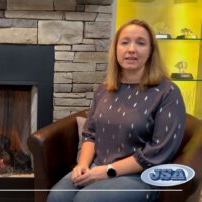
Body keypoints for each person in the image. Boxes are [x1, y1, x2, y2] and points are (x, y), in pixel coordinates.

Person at [47, 19, 186, 202]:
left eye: (140, 43)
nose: (131, 49)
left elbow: (157, 153)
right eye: (125, 42)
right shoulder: (104, 89)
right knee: (57, 197)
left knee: (86, 200)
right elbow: (90, 134)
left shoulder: (168, 92)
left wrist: (108, 171)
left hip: (139, 175)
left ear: (151, 51)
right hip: (96, 167)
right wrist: (82, 165)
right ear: (116, 49)